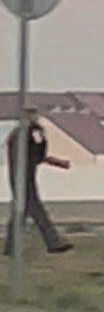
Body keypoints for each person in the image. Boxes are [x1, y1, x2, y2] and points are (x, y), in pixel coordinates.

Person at [5, 109, 72, 257]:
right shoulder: (32, 131)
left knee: (20, 210)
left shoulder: (16, 134)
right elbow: (39, 151)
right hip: (25, 175)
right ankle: (53, 242)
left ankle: (10, 247)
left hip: (17, 175)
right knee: (35, 208)